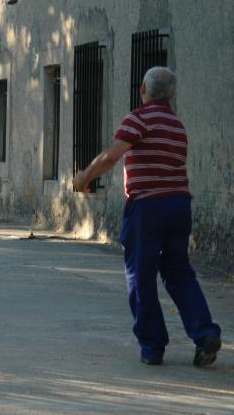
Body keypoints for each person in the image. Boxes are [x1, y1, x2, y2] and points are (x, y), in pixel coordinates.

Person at [73, 67, 221, 366]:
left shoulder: (138, 119)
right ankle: (205, 333)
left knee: (141, 276)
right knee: (179, 271)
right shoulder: (177, 125)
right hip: (179, 205)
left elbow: (112, 156)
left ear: (143, 88)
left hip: (147, 207)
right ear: (173, 93)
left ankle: (152, 347)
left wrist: (84, 177)